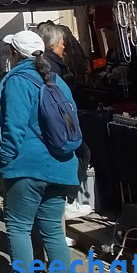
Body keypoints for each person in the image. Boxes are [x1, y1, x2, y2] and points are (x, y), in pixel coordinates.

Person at [0, 30, 78, 273]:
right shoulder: (57, 81)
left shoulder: (17, 80)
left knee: (18, 227)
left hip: (26, 166)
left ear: (14, 54)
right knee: (52, 229)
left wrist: (3, 163)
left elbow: (13, 128)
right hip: (61, 164)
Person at [36, 21, 92, 220]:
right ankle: (68, 200)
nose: (64, 46)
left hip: (58, 124)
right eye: (61, 43)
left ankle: (67, 200)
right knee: (81, 153)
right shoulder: (52, 67)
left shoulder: (47, 64)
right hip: (61, 124)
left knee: (79, 153)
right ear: (52, 44)